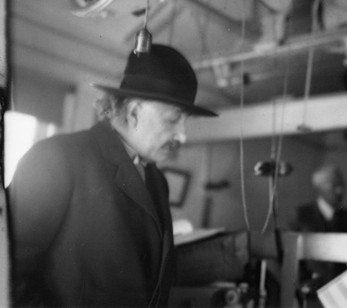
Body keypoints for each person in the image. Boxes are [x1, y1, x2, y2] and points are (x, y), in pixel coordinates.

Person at [7, 44, 216, 307]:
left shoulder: (157, 182)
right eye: (174, 118)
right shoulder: (56, 158)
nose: (183, 134)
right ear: (134, 112)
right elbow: (8, 276)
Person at [291, 163, 347, 299]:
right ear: (318, 188)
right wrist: (303, 284)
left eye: (342, 185)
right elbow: (291, 258)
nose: (340, 191)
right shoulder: (301, 216)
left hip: (342, 294)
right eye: (333, 185)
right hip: (309, 294)